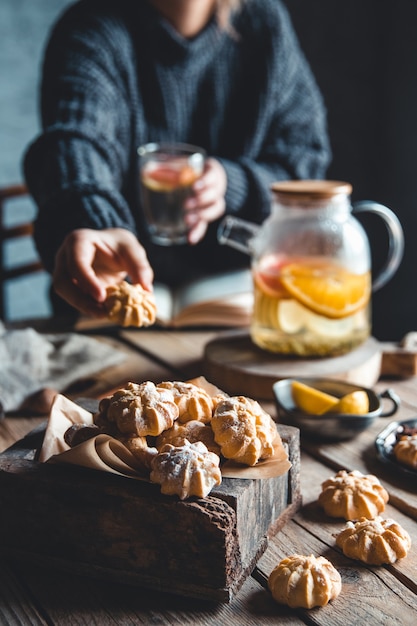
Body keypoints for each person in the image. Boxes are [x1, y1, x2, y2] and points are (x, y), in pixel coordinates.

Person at [23, 0, 331, 320]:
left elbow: (303, 167)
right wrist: (94, 221)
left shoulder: (265, 24)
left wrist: (230, 184)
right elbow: (75, 142)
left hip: (236, 299)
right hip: (108, 296)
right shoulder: (92, 27)